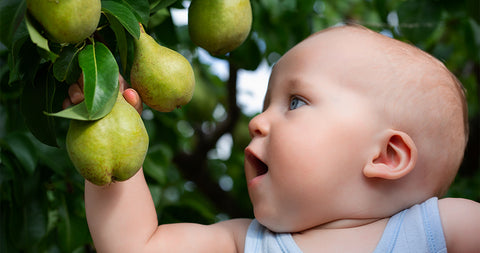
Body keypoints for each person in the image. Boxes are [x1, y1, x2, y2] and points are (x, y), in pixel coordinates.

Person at [64, 24, 480, 252]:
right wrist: (108, 124)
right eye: (265, 104)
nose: (258, 122)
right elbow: (135, 246)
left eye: (295, 102)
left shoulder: (443, 231)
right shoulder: (246, 244)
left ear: (387, 155)